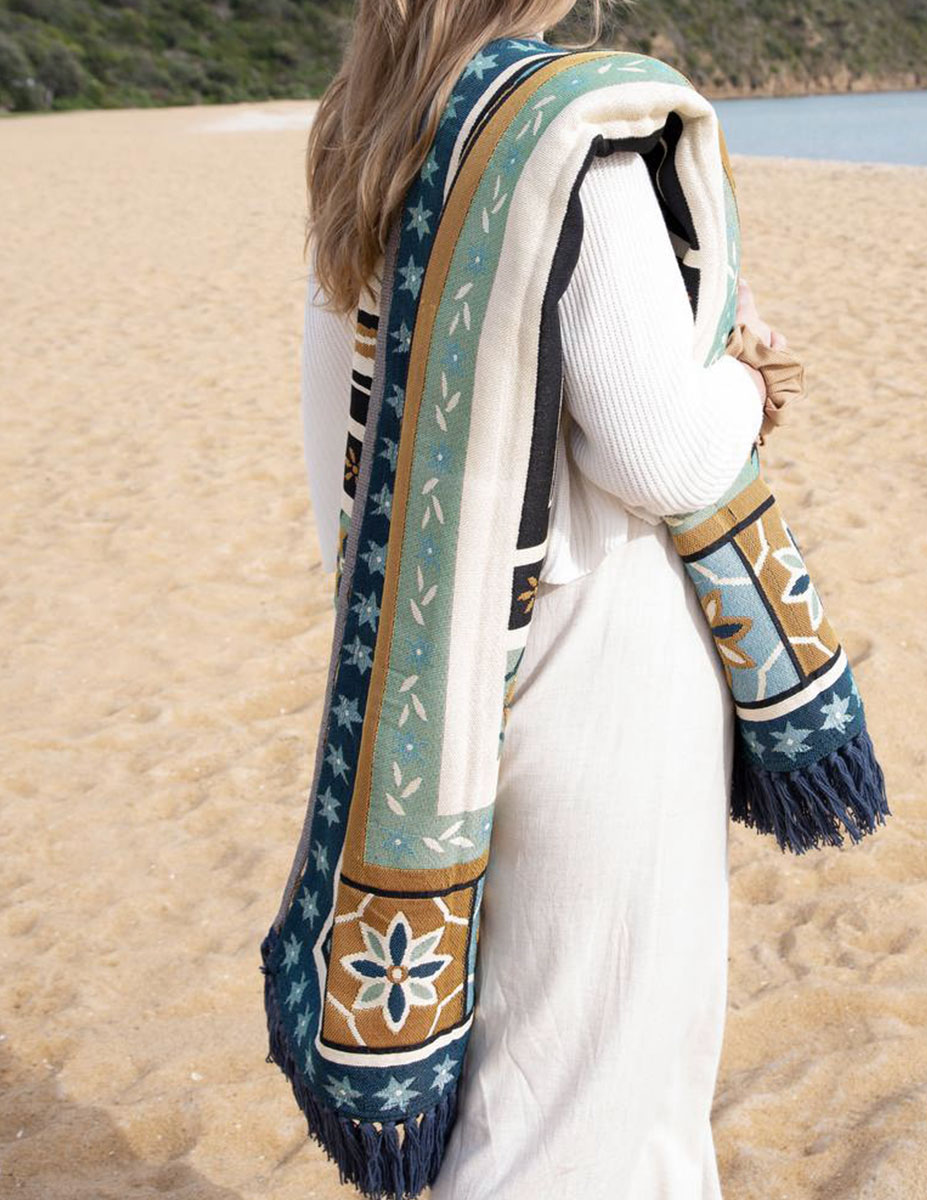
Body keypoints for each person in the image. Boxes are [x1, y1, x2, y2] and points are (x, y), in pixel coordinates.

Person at [298, 4, 790, 1196]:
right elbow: (662, 454)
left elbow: (349, 450)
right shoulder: (571, 134)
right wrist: (747, 384)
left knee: (519, 1084)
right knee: (600, 1096)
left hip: (436, 665)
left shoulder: (368, 130)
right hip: (600, 660)